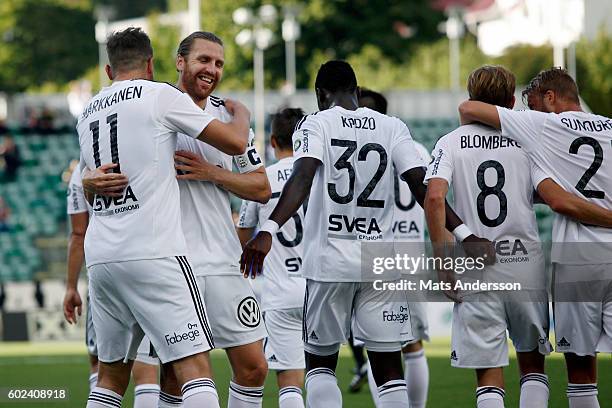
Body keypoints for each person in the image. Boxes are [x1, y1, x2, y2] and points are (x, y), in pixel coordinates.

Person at [240, 60, 483, 408]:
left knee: (320, 364)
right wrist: (464, 233)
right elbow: (422, 188)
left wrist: (268, 229)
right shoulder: (393, 126)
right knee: (388, 369)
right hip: (380, 263)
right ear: (355, 91)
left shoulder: (315, 123)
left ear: (321, 95)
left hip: (329, 261)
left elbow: (303, 176)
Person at [76, 27, 250, 408]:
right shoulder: (159, 95)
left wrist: (88, 183)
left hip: (103, 258)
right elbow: (236, 143)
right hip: (154, 251)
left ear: (109, 70)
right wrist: (243, 115)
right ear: (152, 64)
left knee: (109, 377)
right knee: (194, 368)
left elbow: (87, 180)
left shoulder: (88, 110)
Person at [459, 67, 612, 408]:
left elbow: (469, 110)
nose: (526, 113)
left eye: (530, 104)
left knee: (582, 374)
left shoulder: (546, 126)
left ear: (551, 98)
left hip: (579, 260)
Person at [425, 65, 554, 408]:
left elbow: (435, 197)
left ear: (470, 99)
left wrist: (442, 263)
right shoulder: (529, 142)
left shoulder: (450, 142)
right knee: (532, 367)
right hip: (524, 262)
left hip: (476, 267)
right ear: (511, 102)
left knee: (488, 375)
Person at [161, 31, 271, 408]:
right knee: (178, 376)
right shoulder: (156, 106)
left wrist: (212, 172)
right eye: (204, 60)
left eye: (219, 63)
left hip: (224, 260)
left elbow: (260, 188)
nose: (212, 69)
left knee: (254, 367)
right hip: (173, 261)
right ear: (181, 61)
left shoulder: (228, 116)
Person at [62, 162, 161, 407]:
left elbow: (78, 234)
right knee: (147, 367)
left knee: (101, 365)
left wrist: (71, 287)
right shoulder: (140, 153)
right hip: (147, 264)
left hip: (104, 268)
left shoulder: (80, 173)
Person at [359, 88, 431, 408]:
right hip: (412, 252)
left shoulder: (358, 148)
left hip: (374, 252)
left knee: (379, 346)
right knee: (413, 345)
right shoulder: (418, 151)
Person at [236, 107, 307, 408]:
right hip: (320, 289)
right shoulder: (319, 174)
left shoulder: (262, 178)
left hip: (280, 293)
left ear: (273, 142)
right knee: (321, 375)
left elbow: (243, 234)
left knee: (289, 381)